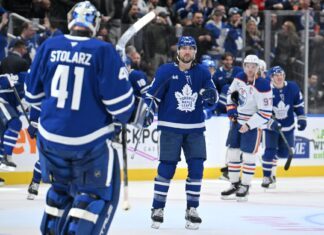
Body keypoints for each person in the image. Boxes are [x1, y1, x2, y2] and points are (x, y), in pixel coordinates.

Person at [24, 2, 138, 234]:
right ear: (95, 24)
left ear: (70, 21)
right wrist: (122, 74)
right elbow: (122, 107)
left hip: (51, 142)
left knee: (60, 192)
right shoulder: (103, 50)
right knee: (95, 197)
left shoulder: (49, 45)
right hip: (89, 144)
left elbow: (32, 95)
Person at [145, 36, 217, 230]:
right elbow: (152, 96)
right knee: (167, 168)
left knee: (197, 168)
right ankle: (157, 208)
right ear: (178, 51)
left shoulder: (202, 72)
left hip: (195, 129)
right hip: (170, 129)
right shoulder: (166, 71)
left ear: (195, 52)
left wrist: (211, 97)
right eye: (183, 48)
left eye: (190, 48)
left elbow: (212, 95)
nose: (187, 51)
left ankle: (192, 209)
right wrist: (148, 112)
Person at [221, 54, 273, 202]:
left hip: (253, 125)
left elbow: (266, 112)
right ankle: (234, 184)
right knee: (232, 153)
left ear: (258, 68)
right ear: (244, 66)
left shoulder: (263, 85)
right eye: (247, 66)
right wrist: (231, 110)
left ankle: (245, 185)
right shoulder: (239, 78)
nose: (250, 69)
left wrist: (249, 125)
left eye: (253, 67)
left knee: (249, 155)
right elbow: (231, 93)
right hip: (237, 121)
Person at [261, 66, 307, 189]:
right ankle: (266, 177)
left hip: (288, 126)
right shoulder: (265, 89)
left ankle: (272, 163)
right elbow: (260, 110)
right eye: (276, 75)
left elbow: (299, 105)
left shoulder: (292, 87)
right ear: (271, 77)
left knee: (284, 153)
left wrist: (301, 118)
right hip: (270, 127)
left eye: (281, 74)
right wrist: (270, 122)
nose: (279, 77)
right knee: (270, 151)